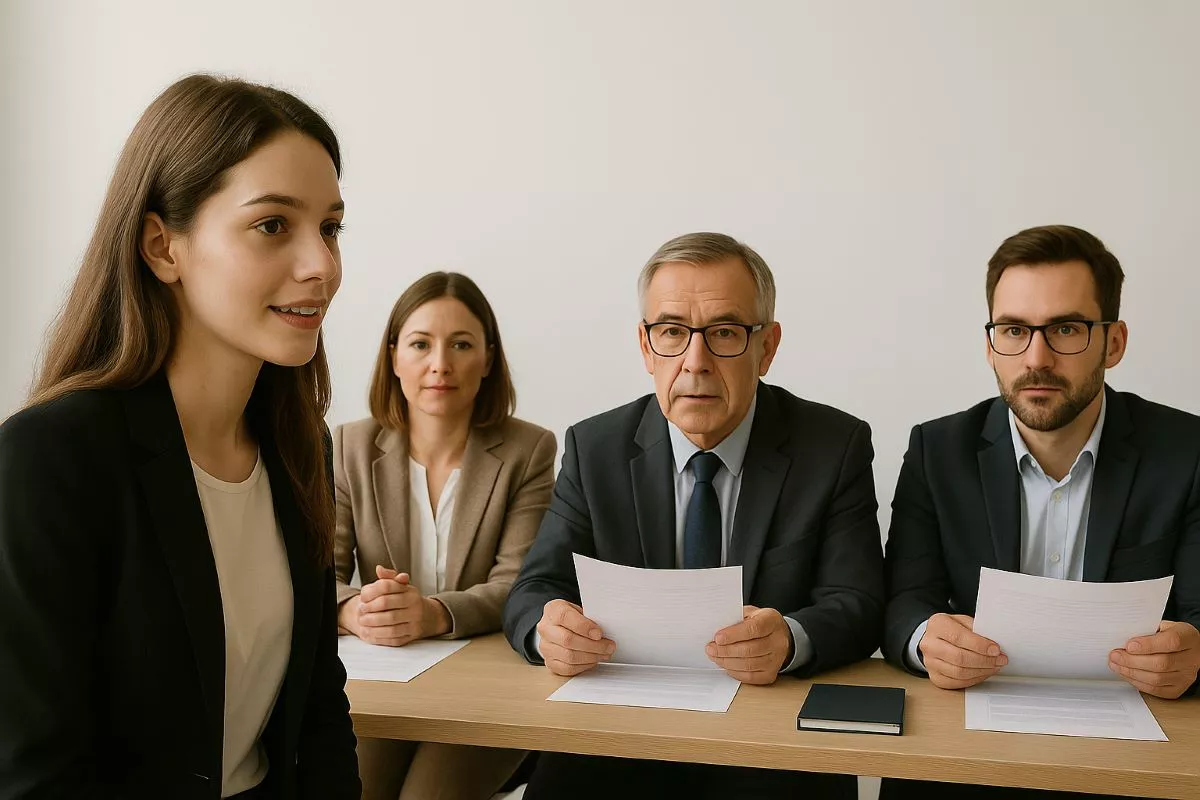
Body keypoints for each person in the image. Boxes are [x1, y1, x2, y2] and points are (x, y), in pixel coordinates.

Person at [0, 74, 360, 799]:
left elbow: (318, 713)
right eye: (273, 225)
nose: (322, 265)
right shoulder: (50, 459)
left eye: (330, 227)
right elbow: (36, 772)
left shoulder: (301, 449)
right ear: (163, 247)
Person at [503, 232, 883, 799]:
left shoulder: (833, 446)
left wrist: (790, 639)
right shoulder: (595, 448)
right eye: (672, 332)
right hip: (619, 737)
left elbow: (858, 603)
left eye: (725, 333)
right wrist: (546, 631)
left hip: (769, 743)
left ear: (767, 347)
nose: (695, 362)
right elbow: (535, 587)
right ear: (645, 346)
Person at [881, 225, 1200, 800]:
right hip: (968, 757)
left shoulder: (1187, 453)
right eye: (1013, 330)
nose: (1037, 358)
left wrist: (1194, 655)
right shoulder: (937, 451)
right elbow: (903, 601)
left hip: (1131, 764)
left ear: (1114, 342)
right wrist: (926, 639)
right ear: (990, 344)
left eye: (1066, 329)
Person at [335, 271, 555, 800]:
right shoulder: (348, 446)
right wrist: (354, 611)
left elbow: (519, 584)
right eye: (420, 344)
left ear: (488, 358)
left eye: (461, 344)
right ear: (394, 357)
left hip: (487, 685)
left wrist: (434, 615)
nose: (440, 364)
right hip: (385, 681)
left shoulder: (528, 450)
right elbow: (315, 575)